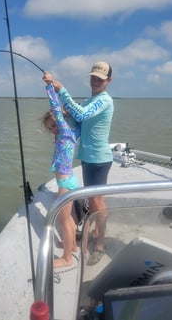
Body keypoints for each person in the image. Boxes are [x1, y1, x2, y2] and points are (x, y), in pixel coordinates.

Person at [43, 61, 114, 265]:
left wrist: (58, 89)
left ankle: (100, 243)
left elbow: (80, 114)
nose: (95, 81)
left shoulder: (104, 100)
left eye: (100, 79)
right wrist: (61, 112)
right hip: (87, 158)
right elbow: (75, 117)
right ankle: (89, 232)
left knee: (98, 203)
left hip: (99, 159)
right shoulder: (91, 99)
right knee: (91, 202)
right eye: (93, 77)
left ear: (108, 81)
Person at [42, 81, 80, 268]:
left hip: (66, 183)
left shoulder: (65, 131)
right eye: (50, 128)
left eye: (54, 125)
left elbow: (56, 108)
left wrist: (50, 87)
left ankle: (67, 258)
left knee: (64, 221)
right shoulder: (67, 134)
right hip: (67, 180)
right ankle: (71, 246)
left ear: (61, 121)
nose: (53, 130)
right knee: (69, 218)